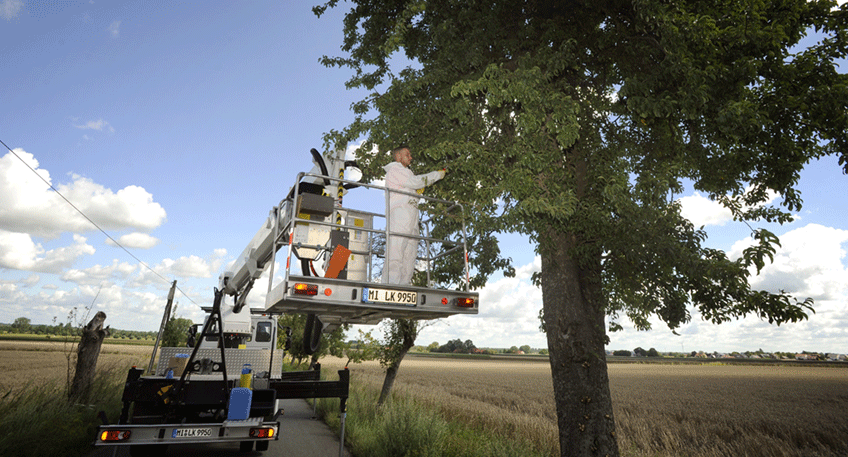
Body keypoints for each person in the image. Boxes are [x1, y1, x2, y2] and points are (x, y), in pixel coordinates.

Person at [382, 146, 446, 285]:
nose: (410, 157)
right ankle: (390, 285)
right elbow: (415, 182)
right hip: (400, 215)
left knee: (409, 256)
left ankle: (403, 287)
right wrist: (436, 175)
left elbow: (411, 188)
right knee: (396, 252)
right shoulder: (395, 169)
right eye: (407, 154)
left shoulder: (406, 172)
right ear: (398, 156)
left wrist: (417, 192)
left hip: (411, 217)